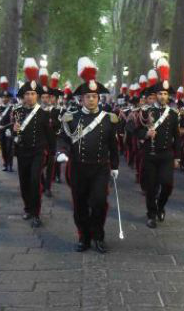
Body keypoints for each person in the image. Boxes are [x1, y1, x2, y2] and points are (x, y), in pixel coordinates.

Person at [57, 57, 119, 253]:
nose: (91, 99)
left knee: (99, 202)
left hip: (100, 167)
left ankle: (98, 235)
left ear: (99, 98)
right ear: (81, 99)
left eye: (94, 96)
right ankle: (84, 236)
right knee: (80, 205)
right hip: (78, 167)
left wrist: (115, 166)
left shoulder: (109, 119)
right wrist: (61, 152)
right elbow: (63, 139)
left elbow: (113, 145)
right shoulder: (71, 118)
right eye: (88, 97)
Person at [136, 58, 181, 229]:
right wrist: (145, 133)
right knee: (151, 187)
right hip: (149, 154)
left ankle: (161, 206)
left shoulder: (173, 114)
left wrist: (177, 157)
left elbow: (177, 137)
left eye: (165, 94)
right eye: (160, 94)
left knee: (167, 184)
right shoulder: (146, 111)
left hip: (166, 154)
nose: (163, 97)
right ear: (155, 95)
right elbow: (134, 128)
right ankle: (151, 214)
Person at [13, 58, 55, 228]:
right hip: (22, 151)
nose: (29, 97)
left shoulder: (44, 114)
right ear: (23, 96)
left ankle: (36, 213)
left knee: (33, 180)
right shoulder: (17, 112)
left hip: (38, 152)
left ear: (37, 96)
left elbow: (50, 135)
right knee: (23, 182)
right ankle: (28, 208)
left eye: (32, 94)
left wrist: (52, 152)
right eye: (27, 94)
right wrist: (14, 130)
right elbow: (10, 134)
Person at [0, 80, 15, 172]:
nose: (4, 99)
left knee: (9, 148)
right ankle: (5, 163)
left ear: (9, 98)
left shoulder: (12, 108)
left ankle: (10, 164)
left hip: (9, 131)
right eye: (3, 97)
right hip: (0, 131)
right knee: (3, 148)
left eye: (6, 97)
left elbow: (13, 121)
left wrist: (5, 127)